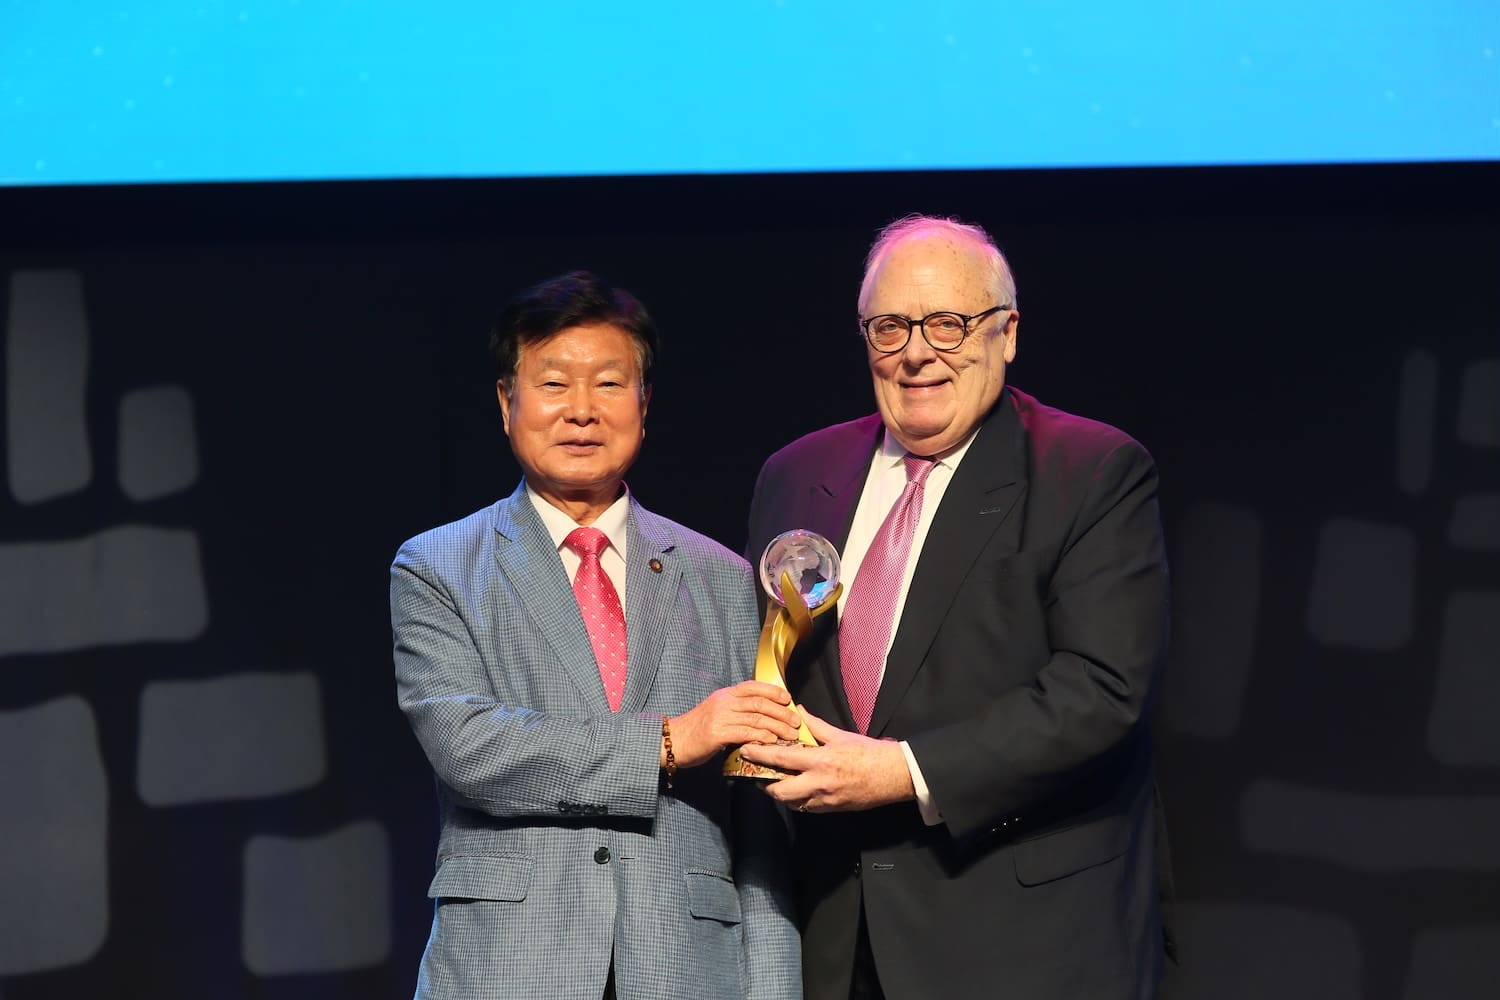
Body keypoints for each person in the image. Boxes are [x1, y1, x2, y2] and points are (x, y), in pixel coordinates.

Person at [739, 216, 1174, 1000]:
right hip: (831, 938)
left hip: (1020, 942)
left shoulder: (1091, 471)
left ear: (1008, 333)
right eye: (890, 327)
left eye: (948, 323)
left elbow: (1102, 690)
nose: (916, 353)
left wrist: (902, 772)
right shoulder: (797, 473)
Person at [390, 271, 802, 1000]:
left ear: (644, 404)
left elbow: (761, 823)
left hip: (687, 970)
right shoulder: (438, 566)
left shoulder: (723, 577)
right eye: (554, 384)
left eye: (609, 383)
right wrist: (670, 741)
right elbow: (471, 749)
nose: (581, 410)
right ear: (506, 403)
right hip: (507, 968)